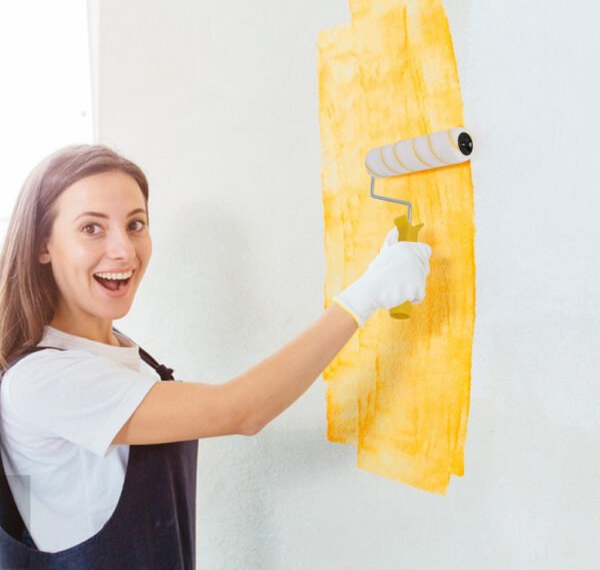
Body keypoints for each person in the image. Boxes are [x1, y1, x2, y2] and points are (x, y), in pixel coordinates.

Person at [0, 144, 431, 567]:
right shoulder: (44, 379)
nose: (124, 250)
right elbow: (241, 411)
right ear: (43, 245)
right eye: (92, 228)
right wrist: (365, 295)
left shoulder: (121, 352)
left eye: (135, 224)